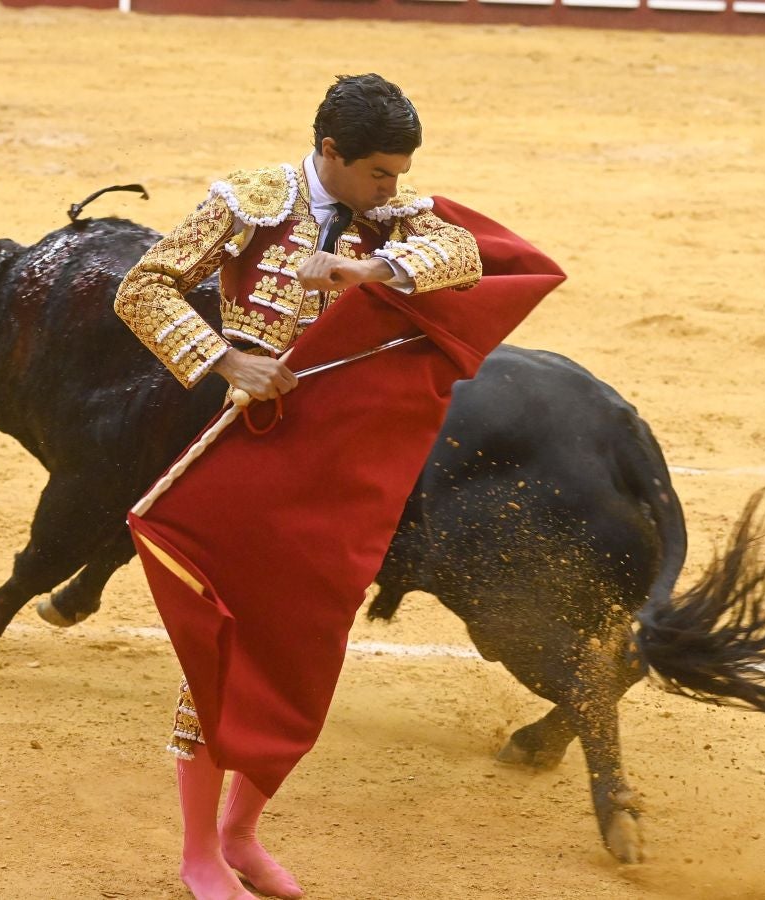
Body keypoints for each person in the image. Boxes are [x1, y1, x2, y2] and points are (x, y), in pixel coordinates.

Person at [114, 75, 487, 900]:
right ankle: (197, 854)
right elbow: (141, 286)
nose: (395, 188)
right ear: (331, 154)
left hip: (339, 455)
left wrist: (372, 269)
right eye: (381, 173)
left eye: (399, 173)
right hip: (246, 443)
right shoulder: (250, 200)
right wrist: (224, 357)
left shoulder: (387, 214)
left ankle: (240, 834)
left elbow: (464, 254)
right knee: (226, 643)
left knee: (308, 641)